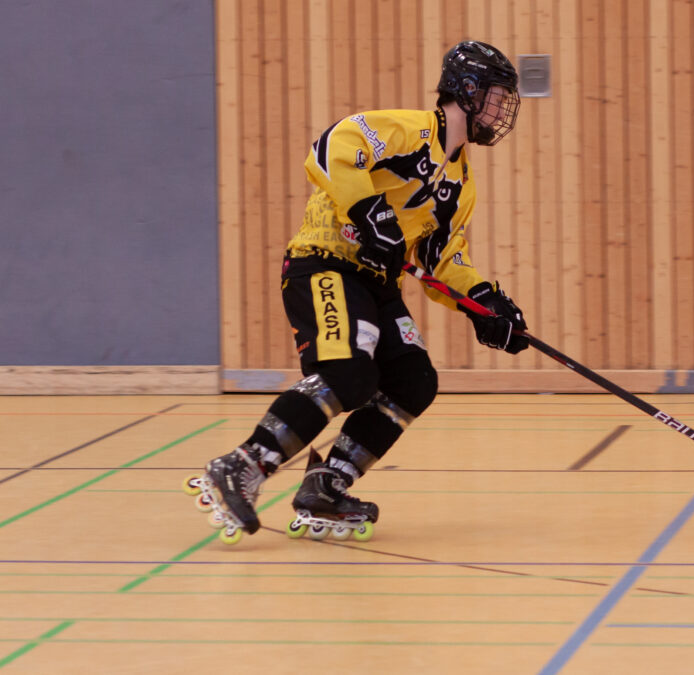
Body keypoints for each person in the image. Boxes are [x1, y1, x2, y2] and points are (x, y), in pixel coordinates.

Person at [186, 40, 529, 544]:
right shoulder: (406, 131)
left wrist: (485, 304)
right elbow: (330, 151)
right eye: (498, 98)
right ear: (468, 91)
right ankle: (242, 466)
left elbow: (440, 260)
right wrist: (372, 212)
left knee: (414, 380)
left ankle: (327, 484)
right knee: (347, 371)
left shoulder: (461, 182)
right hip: (323, 262)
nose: (502, 111)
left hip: (375, 283)